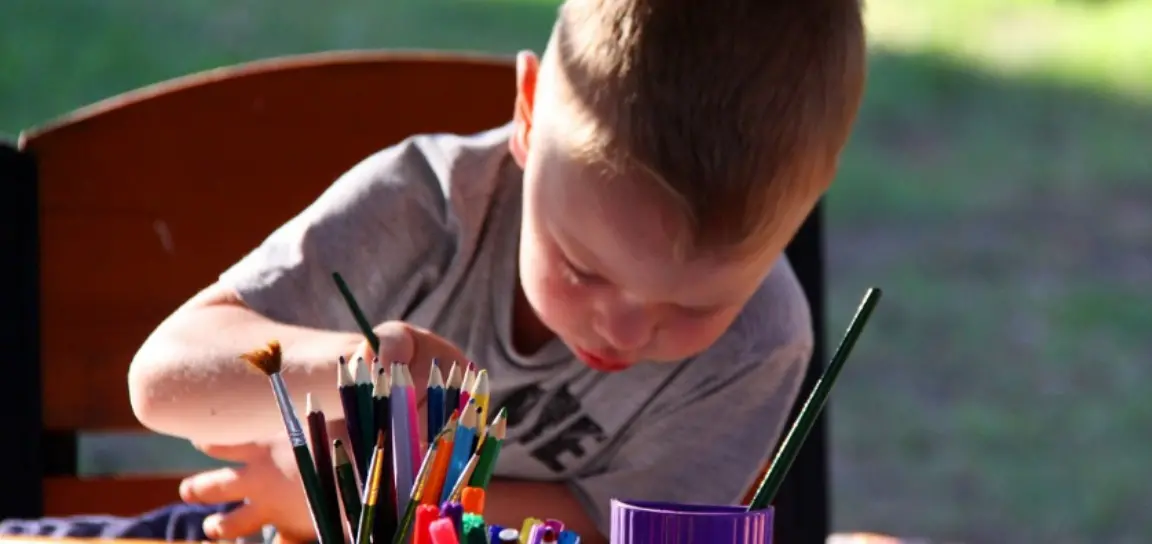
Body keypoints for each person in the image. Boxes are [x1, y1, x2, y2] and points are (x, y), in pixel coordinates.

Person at [3, 0, 866, 540]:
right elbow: (161, 381)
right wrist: (352, 373)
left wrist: (372, 509)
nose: (628, 328)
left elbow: (614, 533)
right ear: (527, 115)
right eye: (583, 266)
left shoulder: (760, 339)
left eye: (692, 303)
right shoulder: (428, 207)